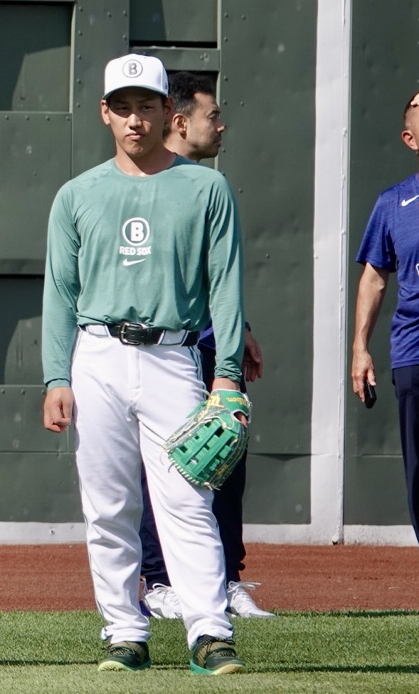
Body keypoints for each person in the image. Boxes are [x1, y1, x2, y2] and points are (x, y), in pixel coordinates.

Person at [41, 53, 247, 675]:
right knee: (108, 506)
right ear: (104, 113)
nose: (135, 119)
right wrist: (56, 377)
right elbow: (60, 294)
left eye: (147, 106)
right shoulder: (77, 194)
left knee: (188, 498)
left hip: (173, 354)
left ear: (167, 112)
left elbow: (225, 284)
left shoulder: (206, 188)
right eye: (123, 107)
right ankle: (124, 633)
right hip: (97, 354)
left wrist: (228, 373)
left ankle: (209, 632)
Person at [138, 72, 274, 620]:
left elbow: (217, 275)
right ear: (179, 121)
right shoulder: (148, 184)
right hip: (170, 350)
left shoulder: (208, 186)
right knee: (165, 465)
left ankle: (225, 581)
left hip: (215, 346)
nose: (221, 125)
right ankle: (161, 582)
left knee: (224, 459)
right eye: (212, 115)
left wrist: (241, 332)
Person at [352, 85, 419, 614]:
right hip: (417, 357)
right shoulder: (393, 203)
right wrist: (359, 349)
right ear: (410, 138)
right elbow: (374, 278)